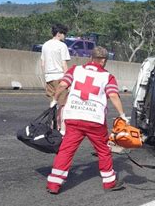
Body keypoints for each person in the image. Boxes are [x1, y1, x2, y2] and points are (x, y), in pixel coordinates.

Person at [46, 46, 127, 194]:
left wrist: (54, 99)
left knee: (66, 150)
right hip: (94, 120)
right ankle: (109, 182)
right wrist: (122, 114)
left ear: (91, 57)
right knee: (103, 150)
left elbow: (63, 85)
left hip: (73, 116)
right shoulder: (107, 77)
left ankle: (53, 183)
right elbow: (113, 95)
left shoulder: (75, 70)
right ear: (103, 61)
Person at [41, 24, 71, 132]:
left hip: (49, 77)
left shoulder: (45, 45)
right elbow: (64, 64)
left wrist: (46, 75)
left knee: (53, 102)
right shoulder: (62, 46)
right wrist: (68, 80)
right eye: (64, 34)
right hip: (60, 77)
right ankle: (62, 129)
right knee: (63, 104)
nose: (65, 36)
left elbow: (43, 63)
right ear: (59, 34)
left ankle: (52, 126)